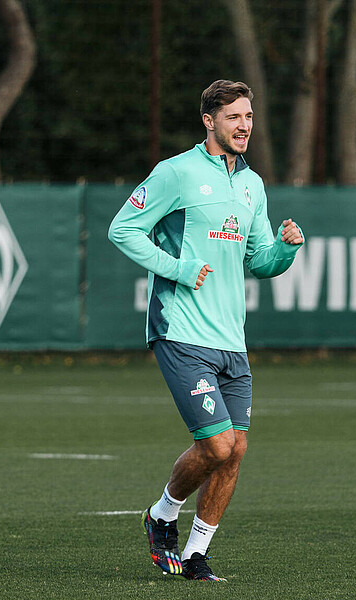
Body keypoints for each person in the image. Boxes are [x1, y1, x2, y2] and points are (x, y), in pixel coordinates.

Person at [108, 80, 305, 581]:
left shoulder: (252, 184)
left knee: (235, 451)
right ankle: (162, 515)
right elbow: (122, 229)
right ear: (209, 121)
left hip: (231, 339)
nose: (244, 126)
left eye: (249, 118)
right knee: (216, 445)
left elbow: (259, 261)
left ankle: (196, 554)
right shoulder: (176, 173)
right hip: (180, 331)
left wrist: (285, 249)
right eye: (234, 117)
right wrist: (176, 268)